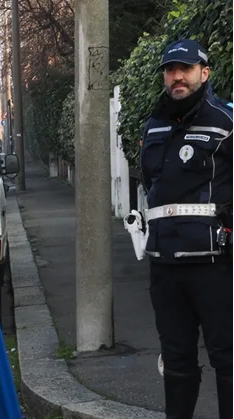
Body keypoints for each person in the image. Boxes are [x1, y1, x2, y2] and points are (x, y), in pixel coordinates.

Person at [139, 39, 234, 418]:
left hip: (215, 263)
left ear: (204, 72)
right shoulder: (154, 124)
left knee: (227, 356)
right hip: (163, 263)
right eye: (170, 69)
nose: (177, 76)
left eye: (186, 69)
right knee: (176, 359)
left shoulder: (226, 120)